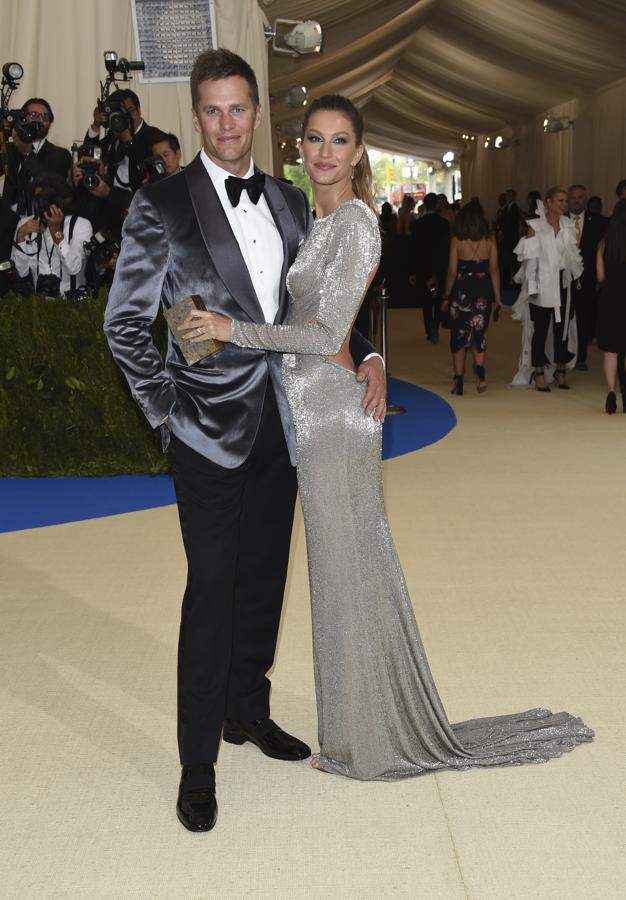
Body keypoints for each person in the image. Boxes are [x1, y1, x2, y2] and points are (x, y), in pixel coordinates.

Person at [190, 94, 593, 783]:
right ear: (300, 145)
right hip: (305, 411)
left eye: (339, 141)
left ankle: (367, 740)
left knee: (349, 571)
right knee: (343, 572)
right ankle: (360, 724)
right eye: (315, 139)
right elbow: (327, 321)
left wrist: (233, 332)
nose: (324, 152)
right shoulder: (305, 213)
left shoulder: (357, 225)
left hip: (333, 420)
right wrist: (373, 354)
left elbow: (319, 335)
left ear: (358, 152)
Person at [103, 49, 385, 833]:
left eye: (240, 109)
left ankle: (247, 713)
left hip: (286, 423)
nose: (228, 124)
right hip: (204, 431)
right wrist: (165, 412)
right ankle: (199, 764)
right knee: (212, 591)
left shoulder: (293, 203)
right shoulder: (161, 202)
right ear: (199, 117)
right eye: (214, 111)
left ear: (258, 115)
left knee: (264, 582)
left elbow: (318, 315)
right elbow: (122, 322)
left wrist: (368, 353)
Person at [512, 187, 583, 390]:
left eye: (565, 201)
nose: (564, 204)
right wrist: (532, 286)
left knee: (562, 330)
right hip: (542, 284)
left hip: (562, 282)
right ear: (549, 202)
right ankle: (539, 371)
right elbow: (531, 260)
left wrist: (573, 277)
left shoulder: (568, 225)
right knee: (540, 329)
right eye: (560, 201)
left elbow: (571, 255)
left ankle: (560, 369)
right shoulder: (536, 227)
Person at [442, 201, 502, 394]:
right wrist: (498, 298)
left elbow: (452, 272)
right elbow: (494, 270)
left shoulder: (457, 240)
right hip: (483, 290)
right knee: (479, 332)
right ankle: (480, 370)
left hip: (462, 290)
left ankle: (458, 379)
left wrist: (446, 295)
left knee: (459, 334)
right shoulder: (490, 239)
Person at [11, 172, 92, 297]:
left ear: (60, 200)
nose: (39, 205)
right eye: (36, 200)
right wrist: (20, 236)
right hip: (37, 304)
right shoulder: (25, 224)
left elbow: (74, 268)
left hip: (71, 305)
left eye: (44, 200)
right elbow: (21, 273)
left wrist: (56, 232)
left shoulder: (80, 225)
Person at [2, 98, 71, 214]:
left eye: (45, 117)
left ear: (50, 123)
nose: (39, 119)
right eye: (34, 115)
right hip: (7, 220)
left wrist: (26, 152)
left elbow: (52, 185)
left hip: (42, 218)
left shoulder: (60, 154)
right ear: (23, 119)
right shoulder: (8, 149)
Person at [85, 89, 160, 193]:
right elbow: (89, 156)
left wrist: (128, 141)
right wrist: (96, 125)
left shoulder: (154, 136)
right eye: (121, 115)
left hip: (138, 200)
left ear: (139, 109)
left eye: (131, 111)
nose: (128, 118)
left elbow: (154, 168)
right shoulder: (112, 137)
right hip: (109, 200)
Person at [567, 184, 608, 370]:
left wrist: (602, 278)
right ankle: (563, 356)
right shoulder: (560, 220)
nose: (576, 200)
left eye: (580, 197)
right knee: (564, 319)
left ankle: (580, 357)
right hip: (563, 278)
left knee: (584, 319)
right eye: (573, 197)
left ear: (585, 199)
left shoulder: (599, 222)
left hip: (588, 279)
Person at [596, 199, 626, 413]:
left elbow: (601, 276)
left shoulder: (604, 243)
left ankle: (610, 392)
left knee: (611, 350)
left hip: (610, 300)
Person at [412, 191, 450, 342]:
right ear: (437, 205)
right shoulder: (444, 224)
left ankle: (429, 328)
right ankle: (436, 323)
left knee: (426, 300)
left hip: (423, 265)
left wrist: (413, 271)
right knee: (439, 297)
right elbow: (446, 247)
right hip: (440, 265)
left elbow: (414, 249)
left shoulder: (417, 224)